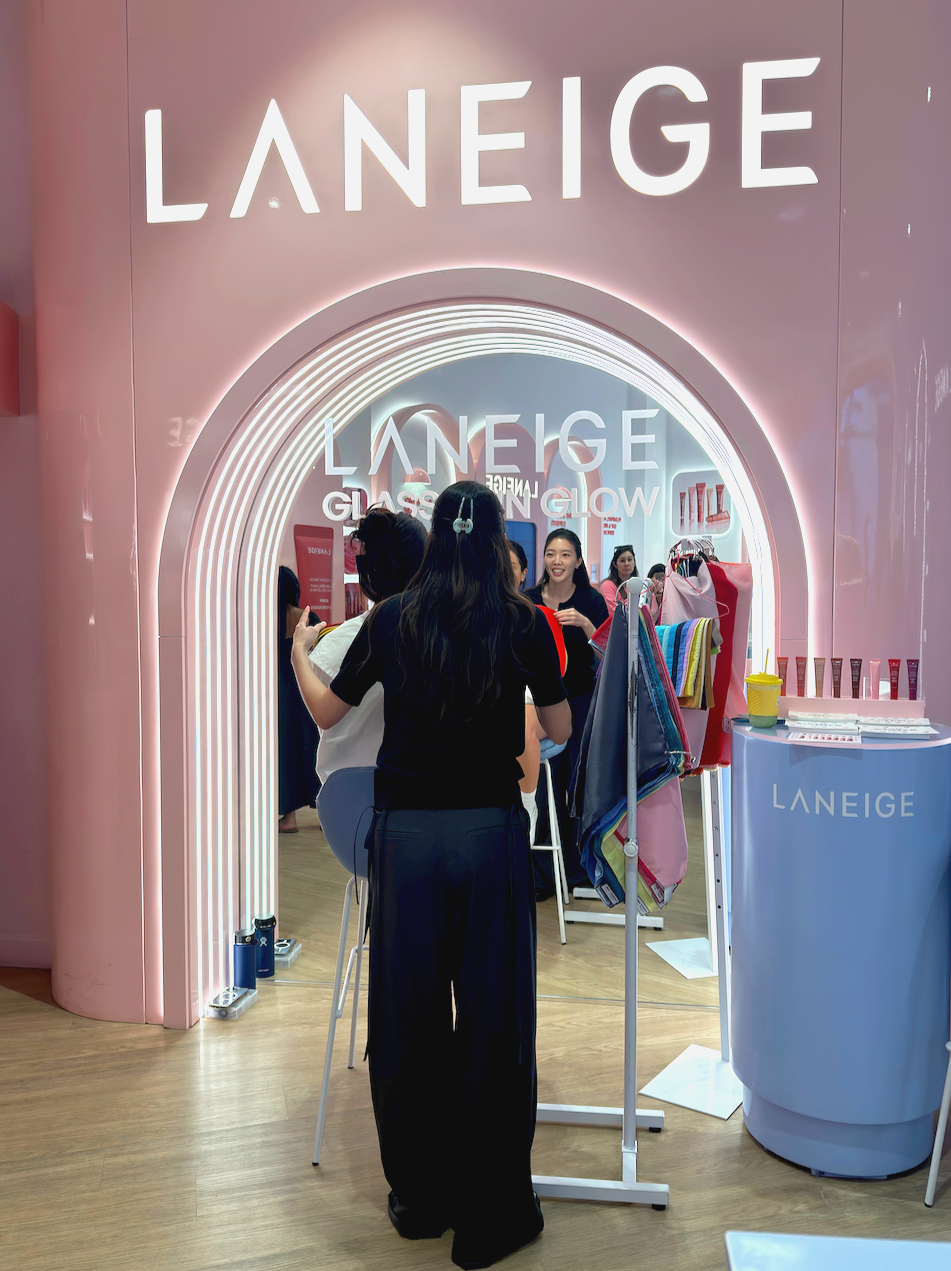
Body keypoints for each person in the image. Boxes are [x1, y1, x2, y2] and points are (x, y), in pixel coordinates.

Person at [291, 482, 571, 1270]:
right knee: (494, 1020)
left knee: (406, 1017)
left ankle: (419, 1199)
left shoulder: (392, 618)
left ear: (437, 540)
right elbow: (557, 725)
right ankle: (492, 1215)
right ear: (496, 541)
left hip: (405, 839)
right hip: (487, 835)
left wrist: (298, 654)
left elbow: (328, 712)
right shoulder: (520, 620)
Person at [308, 507, 427, 780]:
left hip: (346, 789)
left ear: (367, 568)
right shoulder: (443, 634)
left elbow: (324, 716)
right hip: (420, 785)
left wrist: (299, 655)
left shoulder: (338, 643)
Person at [524, 530, 608, 888]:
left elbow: (608, 654)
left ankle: (578, 869)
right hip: (537, 703)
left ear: (577, 560)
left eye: (565, 554)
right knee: (544, 785)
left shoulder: (591, 600)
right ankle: (543, 874)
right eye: (551, 554)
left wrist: (586, 625)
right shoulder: (527, 600)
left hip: (581, 701)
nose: (557, 561)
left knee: (578, 786)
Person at [277, 566, 321, 832]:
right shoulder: (305, 617)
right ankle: (324, 813)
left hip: (278, 695)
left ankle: (289, 817)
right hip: (305, 688)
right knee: (312, 748)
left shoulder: (266, 620)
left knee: (286, 752)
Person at [601, 544, 638, 615]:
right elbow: (614, 613)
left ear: (634, 562)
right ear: (615, 564)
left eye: (630, 560)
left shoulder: (637, 585)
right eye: (622, 561)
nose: (626, 564)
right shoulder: (608, 585)